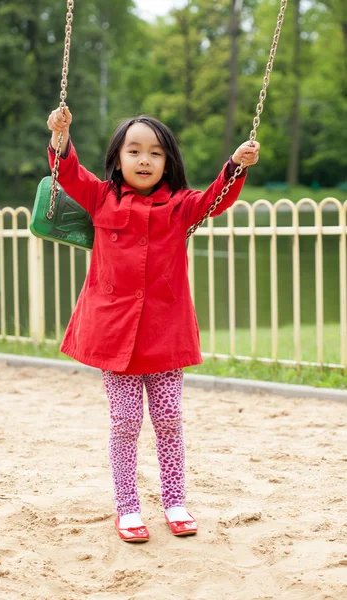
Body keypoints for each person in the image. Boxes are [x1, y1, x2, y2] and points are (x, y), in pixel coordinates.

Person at [47, 106, 260, 543]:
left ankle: (175, 501)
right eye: (135, 150)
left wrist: (236, 165)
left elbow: (215, 199)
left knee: (168, 420)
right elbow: (67, 173)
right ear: (119, 157)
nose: (144, 160)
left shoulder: (180, 206)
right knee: (124, 423)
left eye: (156, 153)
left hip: (164, 334)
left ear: (168, 162)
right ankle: (127, 508)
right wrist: (60, 136)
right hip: (115, 335)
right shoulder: (101, 197)